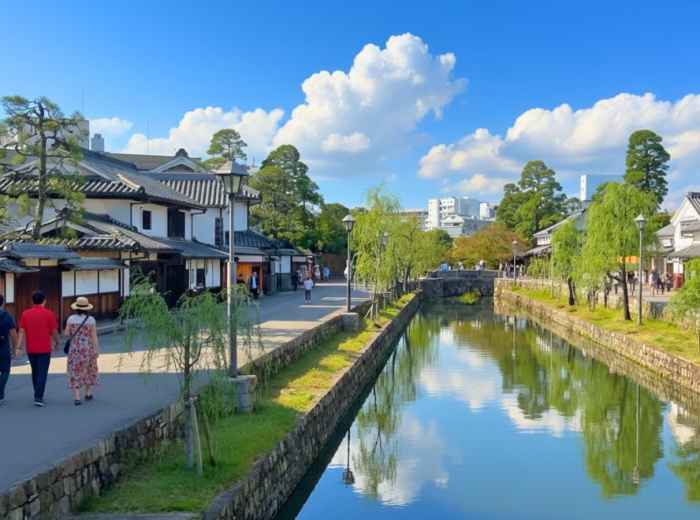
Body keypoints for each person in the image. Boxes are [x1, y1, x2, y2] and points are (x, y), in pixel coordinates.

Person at [18, 291, 59, 407]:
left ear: (33, 301)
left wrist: (18, 347)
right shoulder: (49, 314)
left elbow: (21, 331)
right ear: (44, 301)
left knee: (35, 371)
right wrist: (57, 342)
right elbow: (54, 331)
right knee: (42, 372)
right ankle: (38, 396)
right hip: (45, 348)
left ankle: (37, 392)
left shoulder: (25, 314)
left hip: (31, 348)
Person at [64, 297, 100, 406]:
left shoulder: (71, 319)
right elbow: (94, 337)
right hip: (88, 348)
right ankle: (88, 393)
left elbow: (66, 334)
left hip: (75, 348)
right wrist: (96, 350)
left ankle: (77, 397)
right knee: (89, 369)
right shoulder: (91, 320)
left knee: (75, 371)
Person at [0, 295, 18, 406]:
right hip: (3, 346)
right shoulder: (7, 316)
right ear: (2, 303)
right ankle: (0, 391)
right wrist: (16, 347)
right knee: (5, 370)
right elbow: (13, 334)